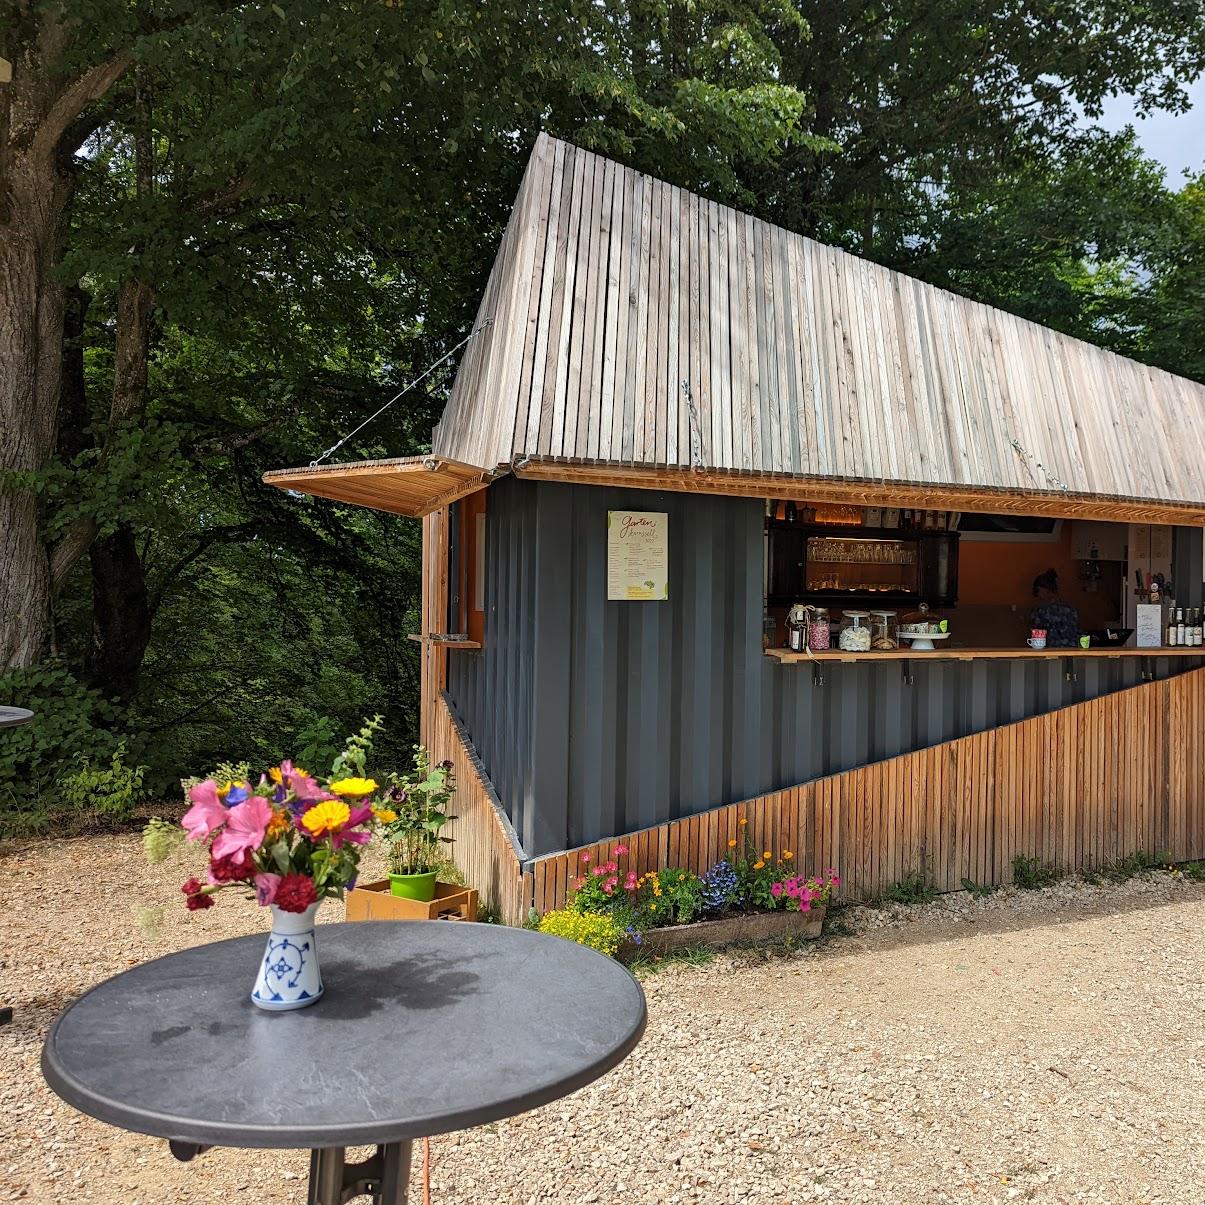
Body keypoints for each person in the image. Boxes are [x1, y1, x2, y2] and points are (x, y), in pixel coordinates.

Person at [1030, 569, 1080, 648]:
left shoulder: (1041, 610)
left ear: (1044, 589)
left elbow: (1037, 633)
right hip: (1073, 649)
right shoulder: (1070, 608)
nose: (1038, 595)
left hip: (1053, 651)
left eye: (1038, 591)